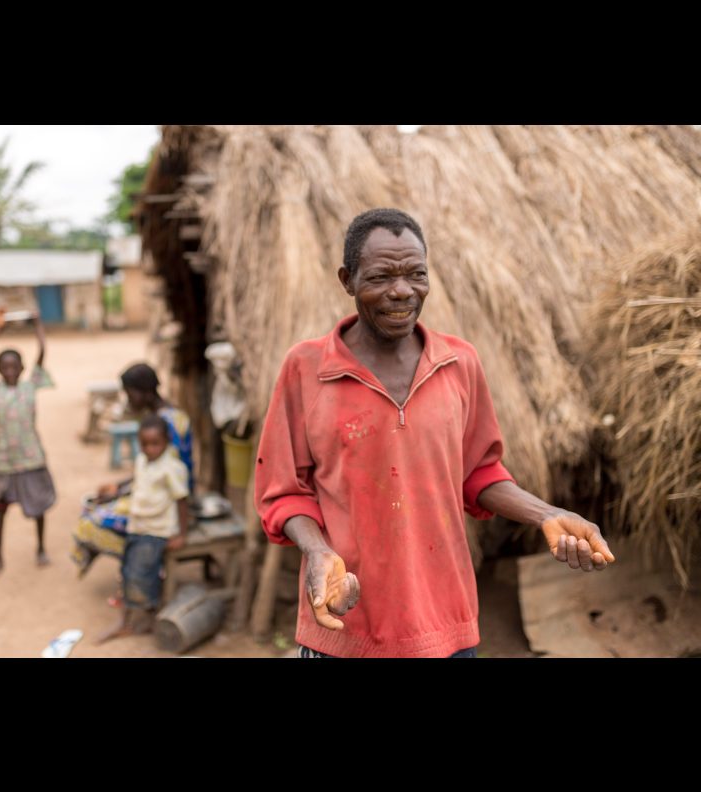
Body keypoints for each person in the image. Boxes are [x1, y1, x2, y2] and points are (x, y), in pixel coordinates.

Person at [254, 208, 616, 658]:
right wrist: (317, 551)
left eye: (416, 274)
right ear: (347, 280)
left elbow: (478, 472)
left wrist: (545, 514)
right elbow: (284, 491)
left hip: (445, 623)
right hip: (345, 620)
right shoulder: (307, 369)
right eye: (381, 276)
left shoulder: (458, 363)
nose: (402, 290)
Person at [70, 363, 194, 582]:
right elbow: (151, 470)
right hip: (158, 493)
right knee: (96, 506)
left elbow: (168, 476)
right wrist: (119, 488)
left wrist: (122, 492)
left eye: (129, 394)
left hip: (165, 503)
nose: (128, 400)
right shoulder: (167, 417)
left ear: (145, 392)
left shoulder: (166, 424)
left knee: (90, 522)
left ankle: (142, 565)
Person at [0, 307, 56, 577]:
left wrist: (37, 325)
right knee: (0, 509)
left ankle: (41, 548)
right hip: (5, 460)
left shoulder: (30, 386)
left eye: (14, 366)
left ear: (22, 368)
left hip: (32, 458)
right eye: (4, 367)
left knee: (39, 507)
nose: (10, 371)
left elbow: (42, 351)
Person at [95, 415, 190, 642]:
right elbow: (138, 482)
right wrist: (117, 489)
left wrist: (181, 534)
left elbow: (182, 500)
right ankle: (127, 620)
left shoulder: (172, 468)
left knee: (142, 574)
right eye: (144, 444)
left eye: (155, 444)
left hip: (156, 530)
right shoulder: (141, 460)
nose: (149, 449)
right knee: (127, 571)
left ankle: (145, 618)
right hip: (138, 526)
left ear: (167, 441)